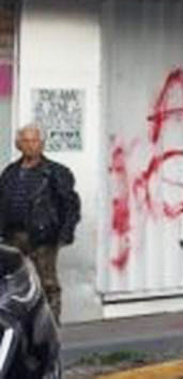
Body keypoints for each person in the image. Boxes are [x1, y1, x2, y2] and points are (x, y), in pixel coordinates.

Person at [0, 124, 81, 323]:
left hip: (43, 235)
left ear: (42, 144)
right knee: (11, 281)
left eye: (34, 141)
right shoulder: (10, 172)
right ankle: (14, 323)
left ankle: (51, 325)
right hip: (12, 234)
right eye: (25, 141)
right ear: (19, 144)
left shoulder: (56, 172)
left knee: (48, 283)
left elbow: (70, 205)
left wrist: (64, 233)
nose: (30, 145)